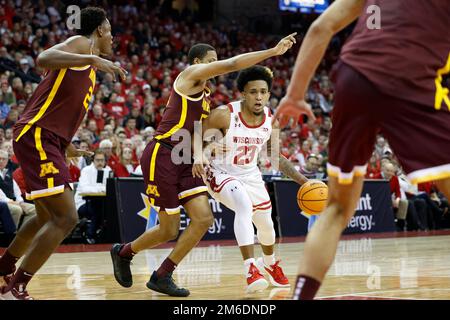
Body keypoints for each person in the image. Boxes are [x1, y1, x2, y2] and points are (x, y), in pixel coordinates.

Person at [274, 0, 450, 300]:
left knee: (337, 209)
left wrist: (295, 95)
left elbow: (320, 28)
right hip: (409, 78)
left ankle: (300, 297)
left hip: (352, 78)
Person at [110, 34, 297, 297]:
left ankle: (162, 275)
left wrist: (207, 148)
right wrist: (273, 51)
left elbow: (200, 131)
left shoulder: (206, 94)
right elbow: (232, 64)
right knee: (169, 229)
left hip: (188, 159)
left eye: (216, 61)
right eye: (211, 61)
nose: (216, 65)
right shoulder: (188, 77)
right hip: (164, 153)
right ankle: (124, 252)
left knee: (203, 219)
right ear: (197, 62)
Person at [0, 7, 126, 300]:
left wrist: (67, 145)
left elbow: (59, 106)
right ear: (98, 31)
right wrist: (91, 56)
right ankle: (15, 287)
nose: (112, 38)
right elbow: (42, 58)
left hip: (48, 138)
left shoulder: (89, 67)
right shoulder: (82, 46)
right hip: (37, 135)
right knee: (67, 217)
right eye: (109, 31)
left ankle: (4, 266)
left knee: (46, 217)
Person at [200, 66, 308, 292]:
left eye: (263, 92)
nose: (258, 96)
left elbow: (276, 157)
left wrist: (304, 181)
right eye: (252, 92)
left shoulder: (271, 120)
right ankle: (250, 269)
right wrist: (199, 155)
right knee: (243, 204)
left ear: (268, 94)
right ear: (242, 93)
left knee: (266, 224)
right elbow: (194, 140)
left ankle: (269, 264)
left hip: (250, 174)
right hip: (220, 171)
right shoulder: (223, 114)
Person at [75, 150, 112, 244]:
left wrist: (100, 189)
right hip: (83, 203)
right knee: (97, 208)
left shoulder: (108, 170)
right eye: (97, 160)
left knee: (108, 208)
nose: (100, 163)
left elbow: (110, 188)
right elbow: (85, 189)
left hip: (101, 201)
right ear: (93, 160)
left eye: (102, 160)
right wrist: (100, 189)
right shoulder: (86, 170)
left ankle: (106, 234)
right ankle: (90, 235)